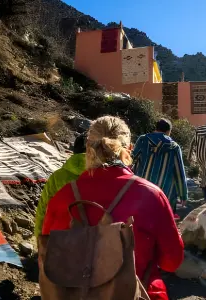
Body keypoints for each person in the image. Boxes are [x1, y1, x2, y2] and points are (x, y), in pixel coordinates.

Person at [41, 116, 184, 300]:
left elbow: (46, 259)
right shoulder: (151, 196)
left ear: (87, 150)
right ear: (129, 149)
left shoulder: (62, 198)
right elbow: (172, 262)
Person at [131, 118, 188, 218]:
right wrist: (183, 194)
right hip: (164, 193)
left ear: (156, 128)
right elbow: (179, 172)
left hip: (142, 189)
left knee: (142, 217)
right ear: (168, 131)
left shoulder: (143, 139)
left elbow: (131, 160)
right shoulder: (174, 147)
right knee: (161, 218)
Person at [34, 132, 87, 237]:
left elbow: (43, 210)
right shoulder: (106, 177)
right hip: (93, 242)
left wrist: (40, 238)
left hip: (58, 240)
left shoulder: (58, 176)